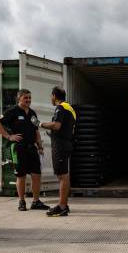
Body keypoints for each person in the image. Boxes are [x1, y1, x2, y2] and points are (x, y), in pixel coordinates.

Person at [0, 89, 50, 211]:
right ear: (19, 99)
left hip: (32, 148)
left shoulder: (32, 113)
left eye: (30, 98)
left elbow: (36, 132)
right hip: (19, 148)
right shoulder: (12, 111)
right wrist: (9, 136)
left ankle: (36, 202)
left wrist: (40, 147)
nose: (28, 100)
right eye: (26, 98)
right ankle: (22, 201)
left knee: (36, 175)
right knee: (21, 175)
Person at [37, 86, 76, 217]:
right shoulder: (70, 108)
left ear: (54, 95)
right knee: (64, 175)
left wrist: (41, 124)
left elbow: (57, 125)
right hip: (66, 143)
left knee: (62, 176)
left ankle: (62, 206)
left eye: (51, 96)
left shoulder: (61, 107)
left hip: (60, 146)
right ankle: (64, 204)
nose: (51, 98)